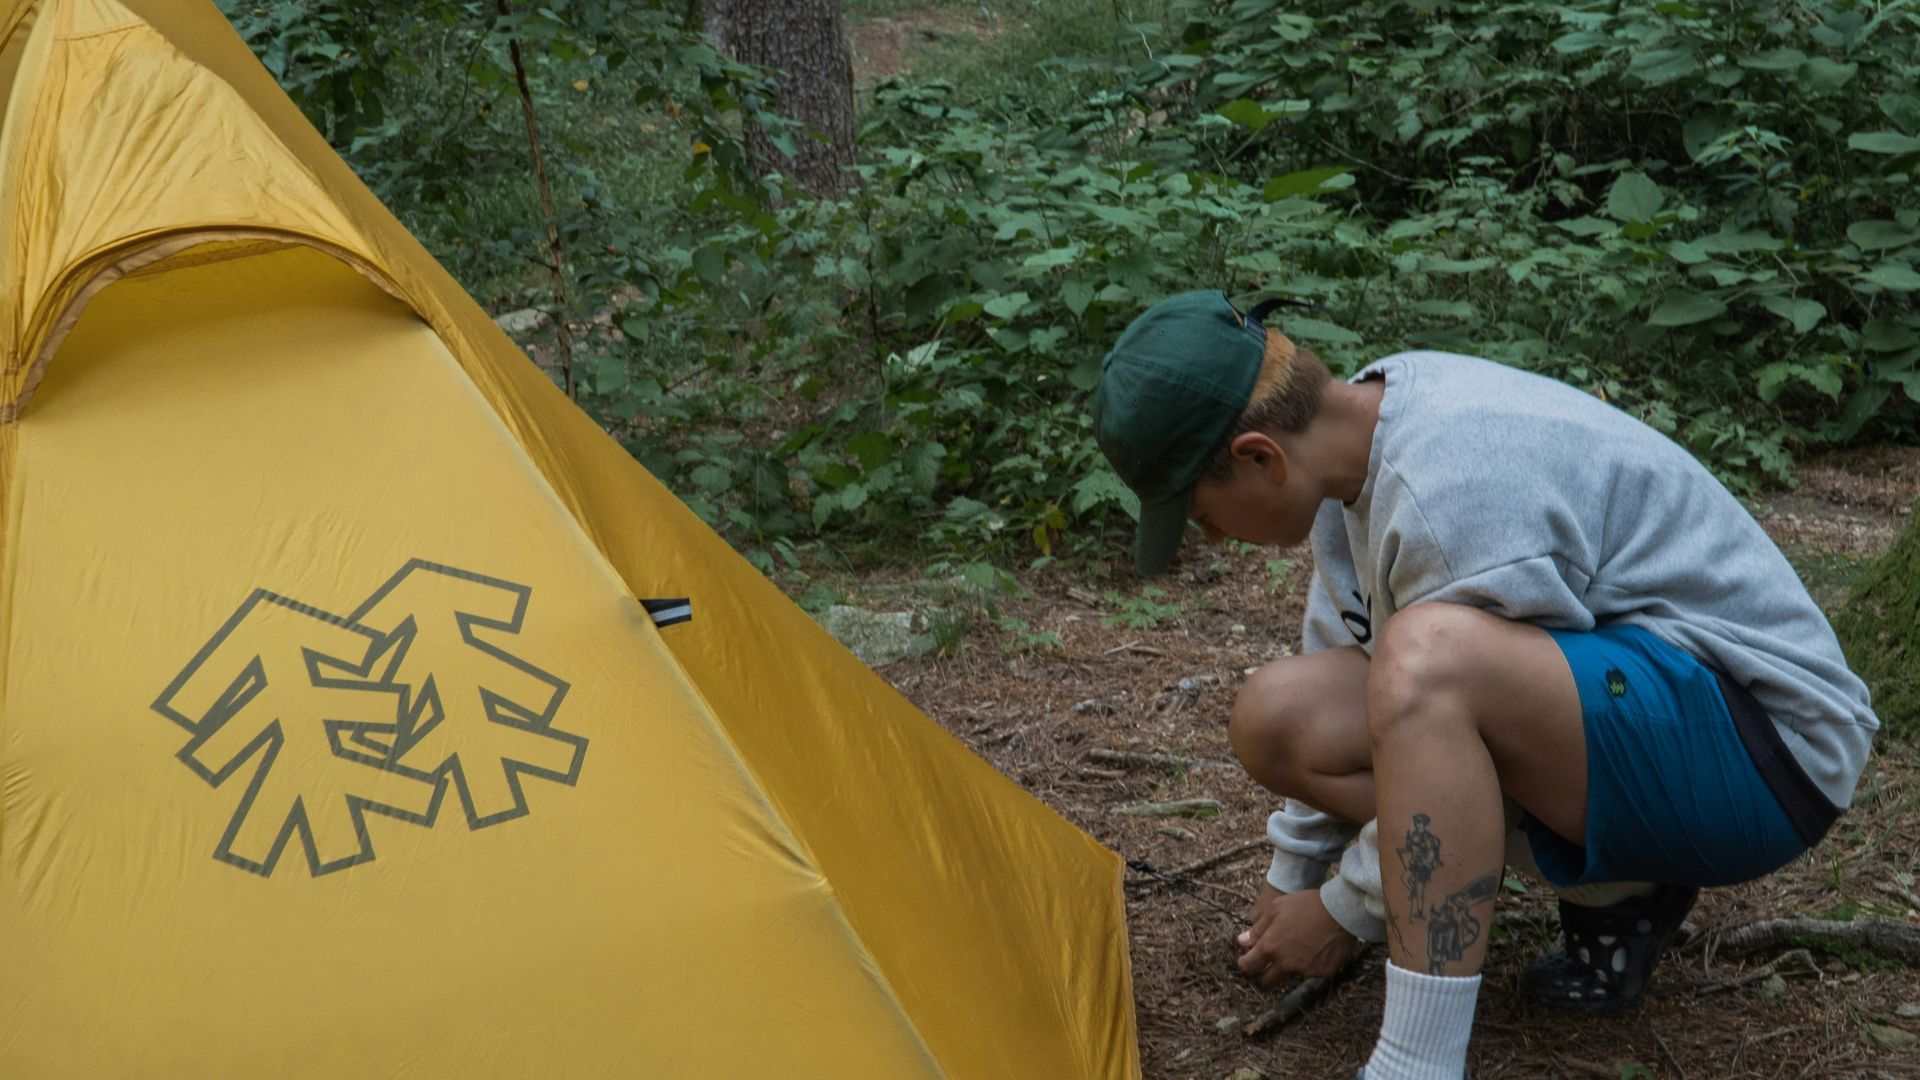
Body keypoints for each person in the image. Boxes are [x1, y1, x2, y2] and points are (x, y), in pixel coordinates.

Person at [1090, 291, 1876, 1080]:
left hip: (1768, 753)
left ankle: (1416, 1062)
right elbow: (1355, 655)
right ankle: (1623, 890)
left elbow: (1467, 749)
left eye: (1202, 514)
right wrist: (1288, 880)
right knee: (1280, 712)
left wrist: (1342, 910)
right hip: (1653, 714)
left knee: (1426, 661)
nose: (1213, 537)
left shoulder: (1450, 488)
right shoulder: (1358, 449)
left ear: (1262, 456)